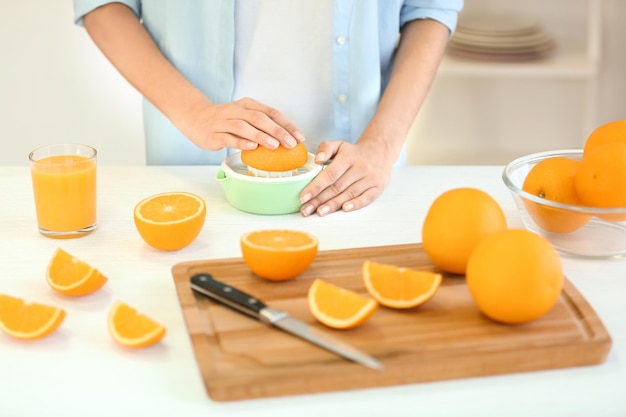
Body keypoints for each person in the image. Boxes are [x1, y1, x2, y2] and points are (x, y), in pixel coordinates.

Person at [74, 1, 463, 217]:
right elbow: (102, 5)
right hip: (198, 185)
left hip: (355, 184)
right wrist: (193, 111)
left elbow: (430, 8)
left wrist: (381, 144)